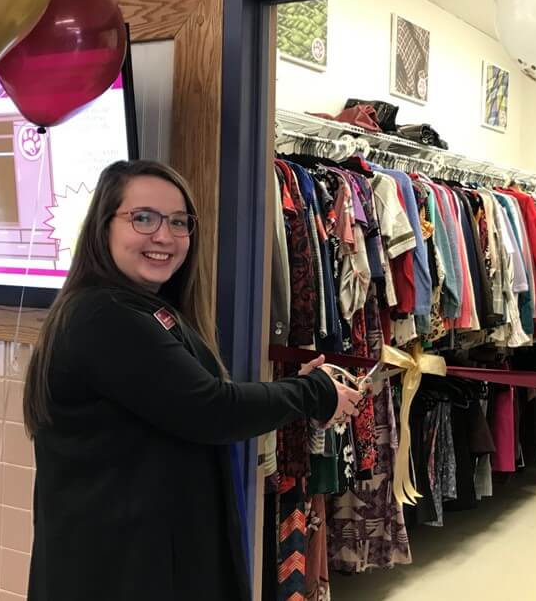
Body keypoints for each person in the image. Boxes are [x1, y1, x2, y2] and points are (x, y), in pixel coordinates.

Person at [23, 160, 363, 601]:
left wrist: (290, 390)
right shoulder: (105, 316)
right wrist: (313, 393)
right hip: (118, 570)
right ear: (102, 227)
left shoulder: (145, 309)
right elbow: (213, 408)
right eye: (142, 218)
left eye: (179, 222)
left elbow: (188, 399)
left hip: (139, 558)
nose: (163, 236)